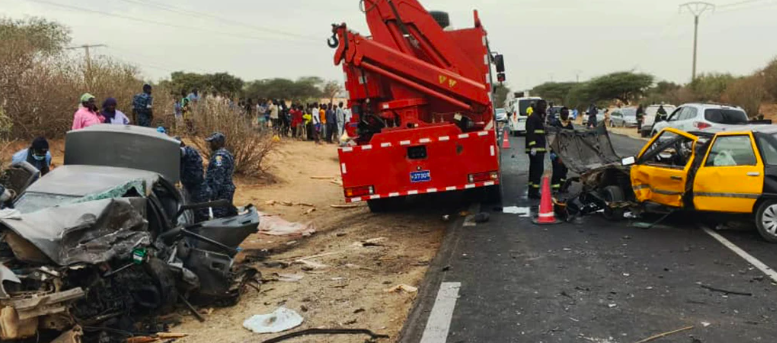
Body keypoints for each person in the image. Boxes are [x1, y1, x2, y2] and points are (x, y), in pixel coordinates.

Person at [204, 132, 237, 218]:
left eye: (212, 142)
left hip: (221, 192)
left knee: (220, 216)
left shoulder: (219, 157)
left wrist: (213, 193)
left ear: (218, 143)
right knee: (227, 215)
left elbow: (218, 176)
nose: (210, 145)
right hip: (226, 189)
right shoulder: (226, 153)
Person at [178, 138, 208, 222]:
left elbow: (181, 152)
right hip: (188, 187)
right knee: (189, 212)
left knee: (199, 214)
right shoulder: (183, 158)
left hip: (198, 189)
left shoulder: (190, 151)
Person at [525, 99, 548, 199]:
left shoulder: (538, 117)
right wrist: (532, 146)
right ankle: (534, 191)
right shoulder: (533, 117)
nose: (544, 109)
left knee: (534, 170)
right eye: (543, 107)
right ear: (538, 107)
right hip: (536, 149)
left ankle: (532, 191)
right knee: (537, 170)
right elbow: (530, 133)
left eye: (545, 107)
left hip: (539, 148)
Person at [550, 107, 574, 193]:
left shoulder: (569, 125)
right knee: (557, 170)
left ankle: (562, 187)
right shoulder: (555, 124)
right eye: (564, 114)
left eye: (567, 114)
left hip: (566, 151)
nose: (565, 115)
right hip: (556, 151)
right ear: (560, 114)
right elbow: (551, 139)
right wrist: (555, 153)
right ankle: (555, 187)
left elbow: (572, 138)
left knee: (564, 170)